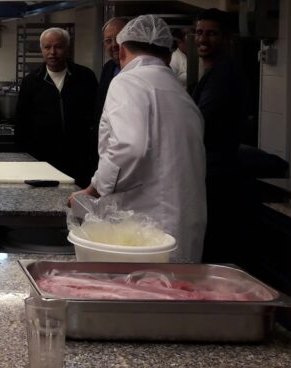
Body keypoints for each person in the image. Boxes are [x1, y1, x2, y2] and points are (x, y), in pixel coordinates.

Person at [69, 15, 207, 262]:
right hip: (184, 223)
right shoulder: (178, 91)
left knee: (143, 292)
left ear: (122, 50)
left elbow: (129, 147)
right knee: (173, 292)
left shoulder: (128, 81)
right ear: (166, 55)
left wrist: (95, 188)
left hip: (146, 229)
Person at [191, 8, 245, 263]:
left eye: (211, 34)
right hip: (210, 169)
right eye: (199, 32)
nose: (203, 39)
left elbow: (202, 122)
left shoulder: (223, 75)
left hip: (218, 174)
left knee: (215, 246)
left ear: (225, 38)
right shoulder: (212, 73)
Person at [14, 27, 98, 187]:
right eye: (47, 47)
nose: (52, 52)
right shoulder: (32, 81)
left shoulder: (85, 76)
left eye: (58, 46)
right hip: (42, 159)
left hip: (78, 158)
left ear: (67, 48)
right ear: (42, 50)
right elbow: (21, 122)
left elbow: (97, 116)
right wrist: (24, 157)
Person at [95, 17, 129, 118]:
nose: (114, 45)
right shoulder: (108, 68)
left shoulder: (143, 69)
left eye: (119, 38)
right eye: (108, 41)